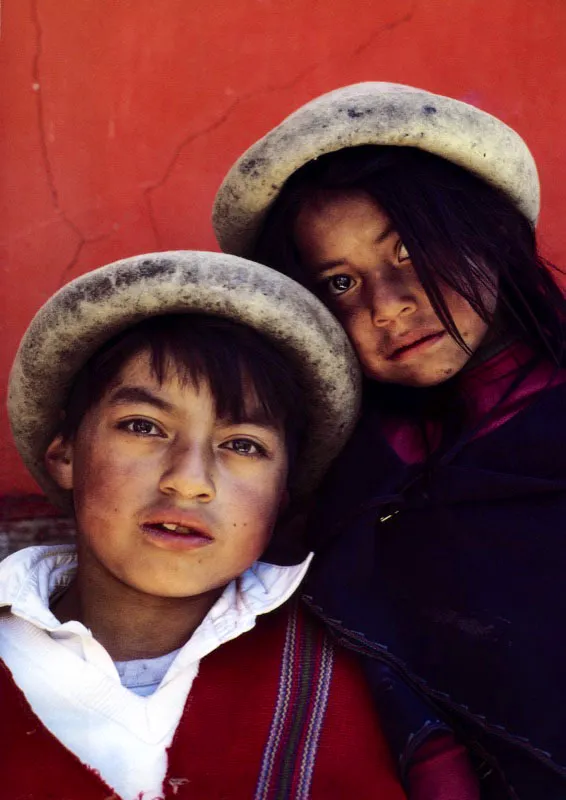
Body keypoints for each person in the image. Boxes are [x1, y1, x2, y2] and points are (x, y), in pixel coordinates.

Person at [212, 83, 566, 798]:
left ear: (490, 236)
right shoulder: (356, 471)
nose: (388, 304)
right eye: (340, 283)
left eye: (409, 248)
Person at [1, 250, 406, 800]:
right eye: (143, 426)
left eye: (243, 445)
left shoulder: (364, 666)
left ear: (283, 494)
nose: (189, 481)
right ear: (66, 453)